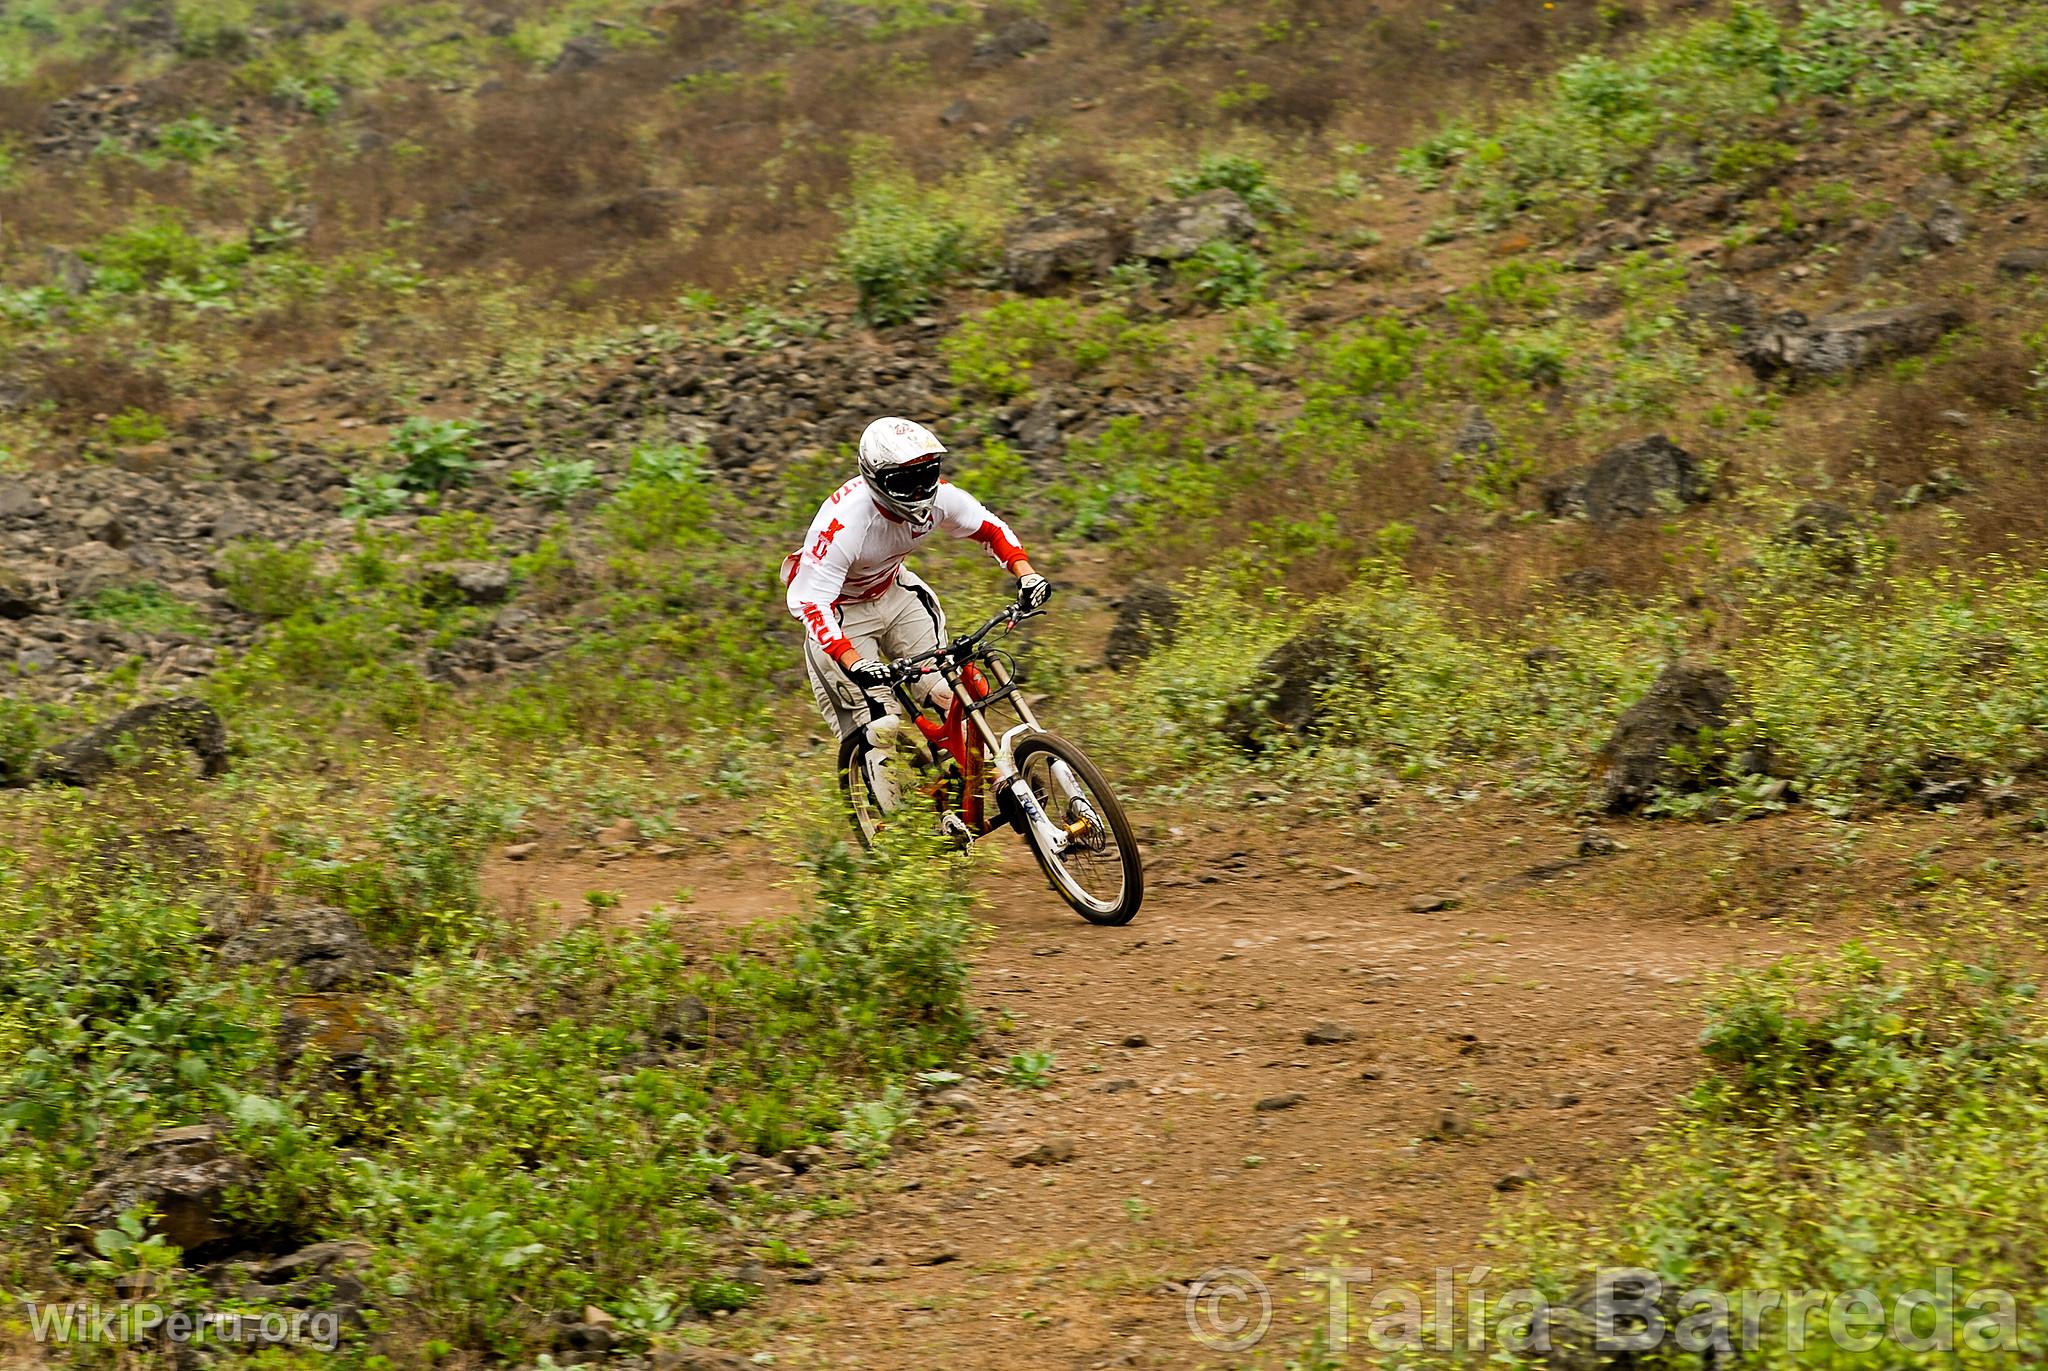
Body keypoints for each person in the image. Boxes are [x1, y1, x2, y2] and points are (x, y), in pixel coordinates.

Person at [783, 417, 1052, 756]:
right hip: (840, 613)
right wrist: (852, 660)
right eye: (904, 484)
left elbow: (991, 529)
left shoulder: (942, 497)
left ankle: (989, 777)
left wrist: (1026, 574)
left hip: (895, 592)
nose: (920, 493)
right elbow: (811, 602)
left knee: (949, 692)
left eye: (926, 478)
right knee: (880, 727)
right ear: (875, 481)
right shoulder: (843, 524)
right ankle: (893, 797)